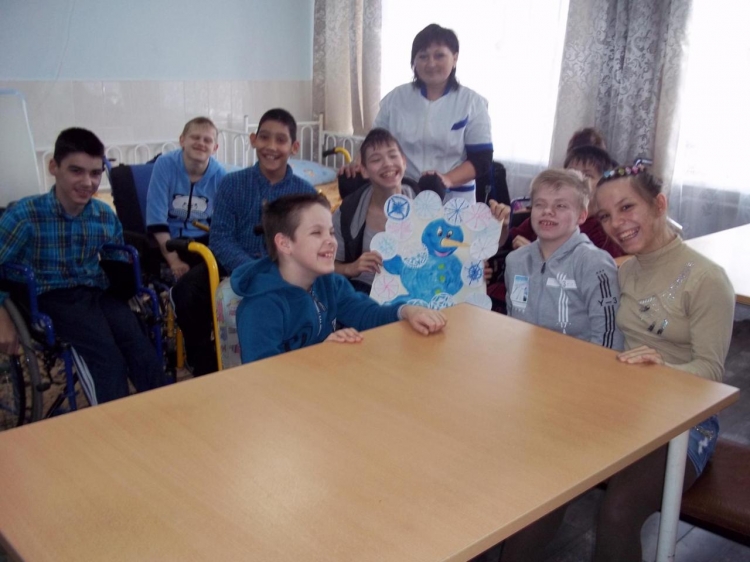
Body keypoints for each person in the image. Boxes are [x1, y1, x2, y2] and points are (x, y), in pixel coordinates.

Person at [590, 163, 735, 562]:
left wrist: (663, 372)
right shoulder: (624, 270)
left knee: (619, 511)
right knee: (545, 469)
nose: (616, 224)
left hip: (686, 420)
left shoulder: (707, 280)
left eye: (627, 208)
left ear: (659, 204)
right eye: (605, 215)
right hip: (626, 406)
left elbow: (711, 374)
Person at [0, 128, 165, 403]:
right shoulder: (25, 215)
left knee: (139, 344)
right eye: (76, 171)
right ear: (54, 167)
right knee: (105, 356)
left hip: (94, 291)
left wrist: (127, 282)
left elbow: (114, 262)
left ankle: (164, 410)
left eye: (95, 173)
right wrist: (2, 315)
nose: (88, 182)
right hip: (47, 295)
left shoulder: (102, 215)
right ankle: (110, 420)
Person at [171, 108, 316, 376]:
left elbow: (309, 245)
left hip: (285, 270)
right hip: (231, 265)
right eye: (265, 137)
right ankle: (206, 367)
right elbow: (220, 237)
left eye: (281, 140)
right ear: (253, 140)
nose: (271, 147)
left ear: (294, 147)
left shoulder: (305, 194)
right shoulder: (232, 183)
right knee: (186, 293)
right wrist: (252, 270)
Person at [230, 193, 447, 363]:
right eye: (317, 233)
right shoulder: (260, 307)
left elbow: (367, 315)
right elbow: (263, 374)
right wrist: (318, 354)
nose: (331, 241)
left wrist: (406, 311)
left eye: (331, 232)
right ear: (285, 244)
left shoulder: (330, 283)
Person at [341, 23, 493, 203]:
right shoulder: (396, 98)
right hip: (403, 193)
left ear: (455, 58)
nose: (431, 63)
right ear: (414, 61)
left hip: (453, 199)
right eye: (423, 56)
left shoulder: (472, 103)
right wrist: (358, 165)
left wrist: (447, 179)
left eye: (439, 55)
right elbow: (374, 142)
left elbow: (482, 159)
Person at [504, 168, 623, 349]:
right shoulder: (516, 261)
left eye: (560, 206)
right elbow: (513, 321)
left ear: (582, 215)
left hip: (578, 363)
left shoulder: (594, 264)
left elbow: (608, 337)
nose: (548, 211)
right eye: (539, 204)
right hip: (524, 357)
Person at [334, 128, 416, 293]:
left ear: (404, 162)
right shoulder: (348, 213)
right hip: (363, 293)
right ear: (364, 170)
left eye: (393, 156)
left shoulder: (426, 209)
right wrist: (351, 268)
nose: (387, 164)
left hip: (413, 292)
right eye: (376, 159)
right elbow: (324, 265)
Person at [146, 116, 226, 280]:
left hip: (203, 240)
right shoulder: (164, 165)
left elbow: (224, 223)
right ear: (182, 140)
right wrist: (174, 261)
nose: (201, 143)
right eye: (195, 137)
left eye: (207, 140)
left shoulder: (221, 175)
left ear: (215, 148)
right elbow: (156, 218)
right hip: (168, 240)